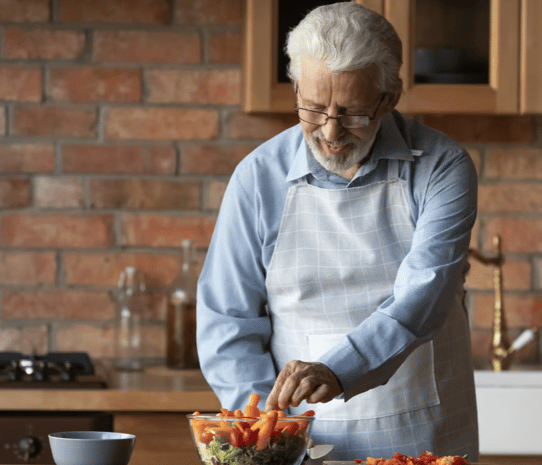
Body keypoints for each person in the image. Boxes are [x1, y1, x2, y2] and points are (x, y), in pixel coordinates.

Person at [196, 2, 479, 461]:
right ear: (296, 88)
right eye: (312, 107)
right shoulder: (257, 178)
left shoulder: (442, 167)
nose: (330, 131)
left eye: (352, 112)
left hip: (425, 436)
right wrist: (271, 435)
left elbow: (424, 294)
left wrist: (337, 368)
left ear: (389, 98)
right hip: (297, 442)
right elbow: (226, 320)